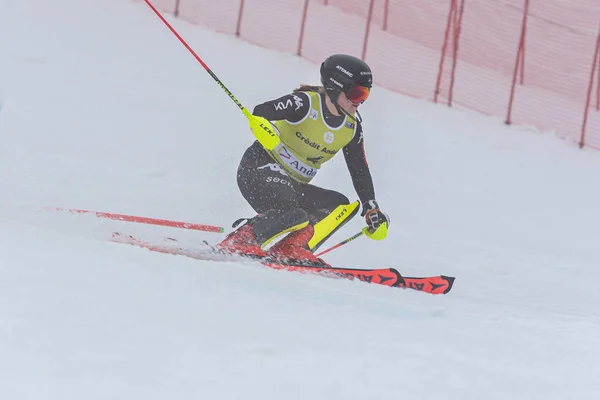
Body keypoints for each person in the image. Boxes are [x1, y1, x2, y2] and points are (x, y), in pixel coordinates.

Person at [217, 54, 389, 264]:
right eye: (356, 93)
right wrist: (263, 127)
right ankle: (241, 238)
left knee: (338, 206)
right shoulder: (305, 103)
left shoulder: (351, 127)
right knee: (294, 213)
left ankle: (291, 247)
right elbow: (261, 111)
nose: (360, 101)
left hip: (290, 183)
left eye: (365, 94)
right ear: (336, 87)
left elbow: (359, 168)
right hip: (257, 170)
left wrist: (371, 206)